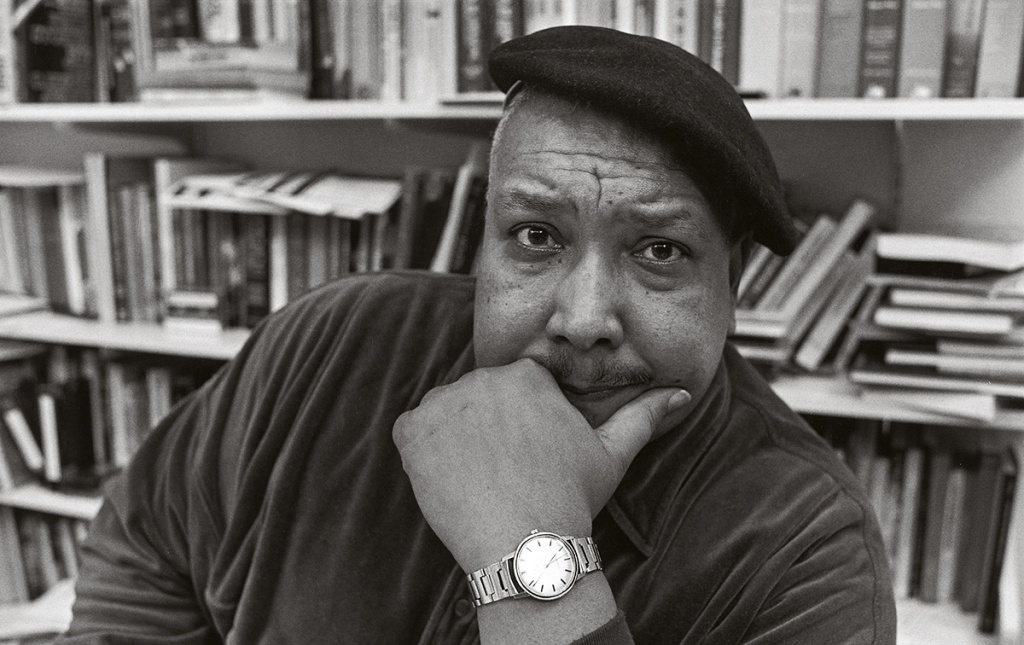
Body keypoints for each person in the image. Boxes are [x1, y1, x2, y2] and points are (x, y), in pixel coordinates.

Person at [60, 26, 896, 645]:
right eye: (537, 235)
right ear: (483, 237)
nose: (583, 318)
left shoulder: (808, 553)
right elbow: (144, 545)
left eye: (659, 250)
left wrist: (534, 556)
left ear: (734, 281)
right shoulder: (327, 344)